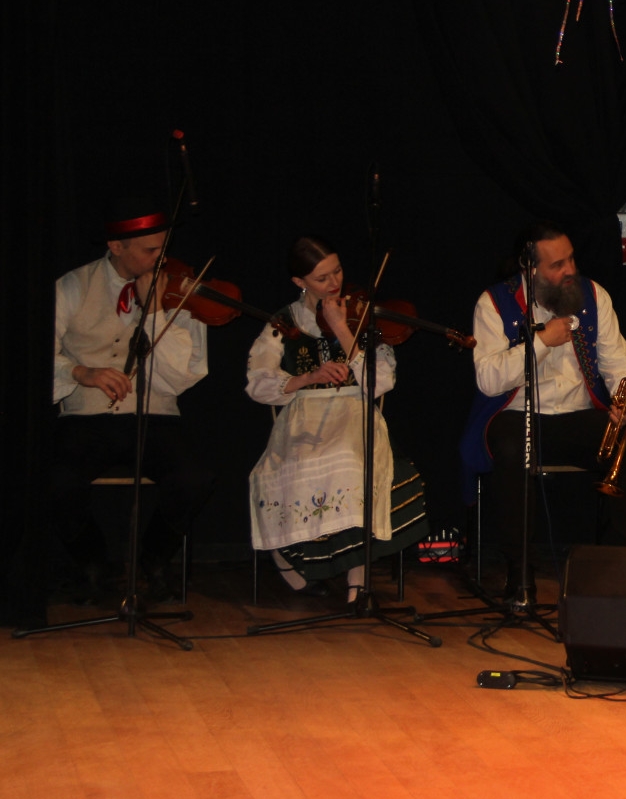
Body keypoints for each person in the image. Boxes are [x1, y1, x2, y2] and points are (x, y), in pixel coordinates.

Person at [463, 220, 626, 592]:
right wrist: (542, 342)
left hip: (578, 414)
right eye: (557, 265)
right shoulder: (494, 303)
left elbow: (619, 365)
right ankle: (520, 572)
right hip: (517, 415)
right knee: (511, 447)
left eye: (571, 260)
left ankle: (618, 567)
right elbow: (488, 379)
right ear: (530, 269)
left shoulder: (594, 296)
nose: (569, 271)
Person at [245, 237, 428, 602]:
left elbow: (380, 383)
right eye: (321, 278)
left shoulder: (362, 317)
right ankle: (289, 560)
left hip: (353, 410)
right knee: (290, 468)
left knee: (351, 462)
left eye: (338, 271)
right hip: (305, 415)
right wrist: (306, 378)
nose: (334, 283)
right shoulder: (284, 322)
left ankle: (357, 581)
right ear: (299, 282)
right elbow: (257, 384)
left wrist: (343, 329)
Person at [50, 198, 214, 602]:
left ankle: (154, 560)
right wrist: (81, 372)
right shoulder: (73, 285)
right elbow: (37, 353)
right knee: (55, 481)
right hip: (86, 417)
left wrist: (155, 312)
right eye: (150, 250)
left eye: (163, 248)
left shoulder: (179, 292)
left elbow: (183, 376)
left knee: (195, 479)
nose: (162, 259)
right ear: (116, 246)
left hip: (155, 414)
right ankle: (92, 562)